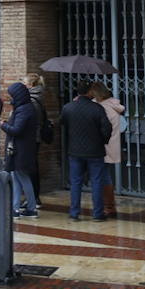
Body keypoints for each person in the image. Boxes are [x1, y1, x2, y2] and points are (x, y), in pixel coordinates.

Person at [60, 80, 112, 223]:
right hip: (95, 151)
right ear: (90, 92)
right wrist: (103, 141)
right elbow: (107, 128)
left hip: (75, 151)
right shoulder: (97, 108)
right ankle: (97, 214)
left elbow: (62, 124)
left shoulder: (68, 107)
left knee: (75, 182)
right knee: (96, 182)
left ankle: (74, 213)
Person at [1, 81, 39, 218]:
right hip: (19, 149)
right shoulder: (23, 108)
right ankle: (16, 207)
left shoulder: (25, 110)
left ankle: (30, 207)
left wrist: (3, 125)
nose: (10, 98)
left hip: (21, 150)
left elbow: (17, 130)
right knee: (16, 178)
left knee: (22, 177)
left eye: (12, 95)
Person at [90, 81, 124, 219]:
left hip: (102, 145)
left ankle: (108, 206)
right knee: (105, 175)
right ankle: (109, 205)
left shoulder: (102, 108)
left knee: (101, 177)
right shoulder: (114, 104)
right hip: (111, 144)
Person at [22, 72, 51, 202]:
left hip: (32, 137)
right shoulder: (37, 96)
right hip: (35, 136)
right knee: (32, 166)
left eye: (24, 83)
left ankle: (33, 197)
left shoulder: (32, 100)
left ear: (31, 84)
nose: (23, 85)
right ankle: (33, 196)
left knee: (30, 167)